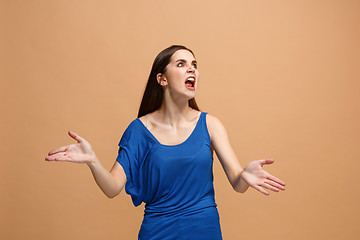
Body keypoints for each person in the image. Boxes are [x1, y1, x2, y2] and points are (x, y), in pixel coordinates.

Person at [45, 45, 286, 239]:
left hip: (205, 231)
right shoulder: (139, 130)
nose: (191, 69)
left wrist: (245, 174)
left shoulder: (210, 125)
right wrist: (92, 160)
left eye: (194, 65)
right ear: (162, 79)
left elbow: (237, 182)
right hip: (158, 231)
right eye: (181, 64)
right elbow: (112, 188)